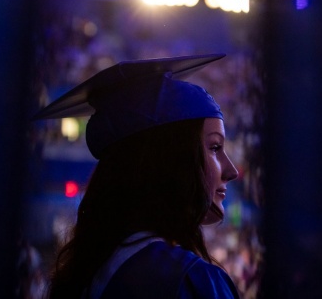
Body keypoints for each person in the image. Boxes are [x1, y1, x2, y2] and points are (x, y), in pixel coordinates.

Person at [33, 53, 240, 298]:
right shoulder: (188, 280)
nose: (232, 171)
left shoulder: (88, 275)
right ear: (169, 162)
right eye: (215, 148)